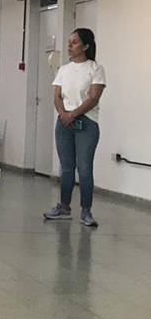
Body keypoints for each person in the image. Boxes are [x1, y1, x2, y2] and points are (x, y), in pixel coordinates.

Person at [44, 28, 106, 227]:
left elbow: (93, 98)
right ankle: (64, 206)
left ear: (86, 46)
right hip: (64, 122)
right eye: (69, 41)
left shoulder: (95, 68)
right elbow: (57, 96)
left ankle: (86, 210)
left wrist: (73, 114)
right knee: (67, 167)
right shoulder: (64, 70)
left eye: (75, 42)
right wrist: (64, 114)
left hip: (86, 122)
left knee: (84, 167)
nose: (70, 45)